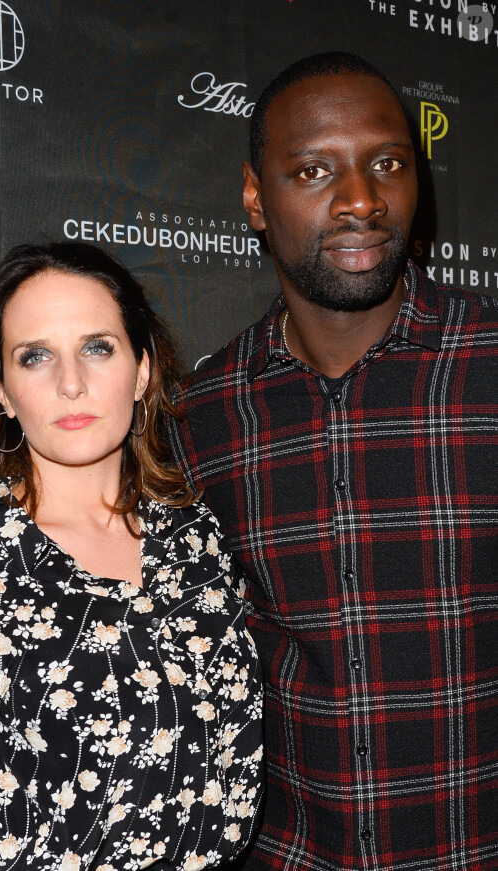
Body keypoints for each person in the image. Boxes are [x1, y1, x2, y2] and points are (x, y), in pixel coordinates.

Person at [167, 52, 498, 871]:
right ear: (255, 197)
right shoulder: (198, 417)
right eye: (315, 170)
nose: (361, 199)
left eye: (386, 163)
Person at [0, 242, 264, 870]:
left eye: (97, 347)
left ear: (142, 372)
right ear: (2, 391)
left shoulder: (198, 544)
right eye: (36, 356)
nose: (70, 382)